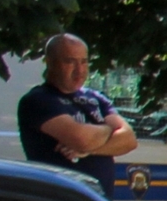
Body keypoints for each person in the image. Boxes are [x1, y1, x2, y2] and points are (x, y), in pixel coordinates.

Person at [19, 33, 137, 188]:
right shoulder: (39, 100)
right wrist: (109, 129)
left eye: (84, 62)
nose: (79, 70)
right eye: (70, 62)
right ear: (50, 62)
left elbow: (129, 140)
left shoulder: (95, 98)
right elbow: (81, 139)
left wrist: (89, 151)